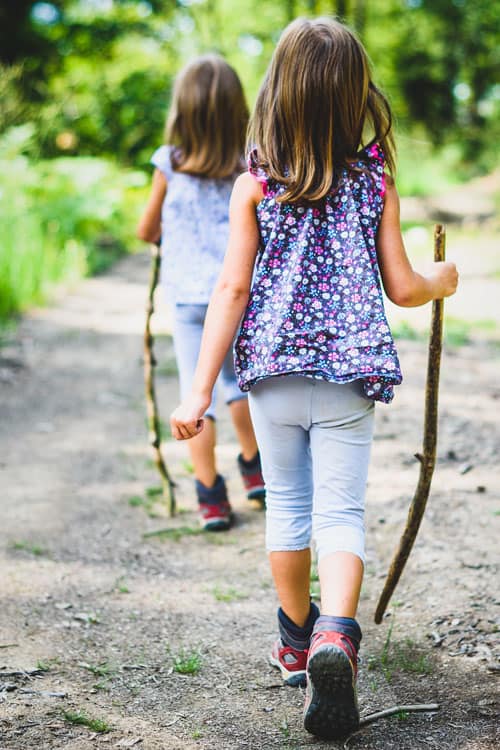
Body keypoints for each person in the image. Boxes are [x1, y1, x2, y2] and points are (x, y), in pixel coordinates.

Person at [170, 18, 458, 741]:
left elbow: (231, 292)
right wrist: (439, 279)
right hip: (346, 373)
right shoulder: (374, 183)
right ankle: (338, 634)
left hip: (267, 373)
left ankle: (296, 642)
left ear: (279, 93)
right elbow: (402, 286)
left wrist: (200, 390)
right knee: (340, 511)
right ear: (354, 96)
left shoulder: (256, 185)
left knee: (288, 506)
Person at [137, 54, 265, 532]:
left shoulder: (168, 164)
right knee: (238, 385)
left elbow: (147, 229)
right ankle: (255, 470)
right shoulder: (249, 165)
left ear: (182, 110)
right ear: (239, 110)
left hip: (190, 299)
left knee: (199, 394)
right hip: (237, 292)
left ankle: (210, 495)